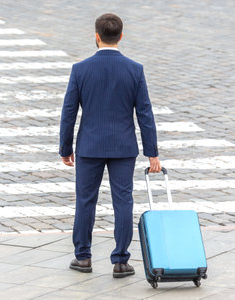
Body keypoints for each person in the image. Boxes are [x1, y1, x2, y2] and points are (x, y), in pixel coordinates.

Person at [59, 13, 161, 278]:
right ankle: (120, 260)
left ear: (96, 36)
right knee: (123, 202)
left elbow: (68, 112)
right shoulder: (134, 69)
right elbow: (145, 114)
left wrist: (65, 148)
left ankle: (83, 257)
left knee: (85, 201)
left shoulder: (80, 69)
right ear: (121, 36)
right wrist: (152, 153)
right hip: (123, 148)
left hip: (89, 147)